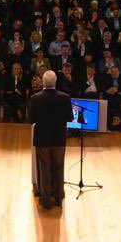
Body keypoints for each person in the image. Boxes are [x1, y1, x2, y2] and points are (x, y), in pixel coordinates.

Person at [29, 70, 72, 208]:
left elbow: (31, 120)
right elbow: (70, 117)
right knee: (59, 167)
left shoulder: (35, 98)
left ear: (43, 82)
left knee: (45, 168)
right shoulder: (65, 97)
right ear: (55, 82)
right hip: (59, 139)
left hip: (42, 139)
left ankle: (46, 200)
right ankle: (59, 197)